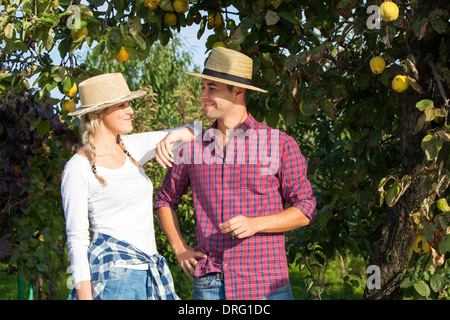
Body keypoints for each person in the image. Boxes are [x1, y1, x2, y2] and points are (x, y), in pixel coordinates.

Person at [154, 47, 317, 300]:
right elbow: (165, 199)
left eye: (211, 88)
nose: (202, 95)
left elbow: (305, 207)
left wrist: (256, 224)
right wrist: (179, 248)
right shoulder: (192, 148)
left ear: (238, 91)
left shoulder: (279, 144)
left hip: (266, 284)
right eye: (202, 87)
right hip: (210, 284)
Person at [61, 72, 198, 300]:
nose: (131, 110)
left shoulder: (131, 147)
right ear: (100, 112)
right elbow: (77, 240)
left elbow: (199, 132)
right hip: (113, 277)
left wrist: (172, 136)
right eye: (122, 105)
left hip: (148, 271)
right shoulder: (78, 168)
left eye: (129, 104)